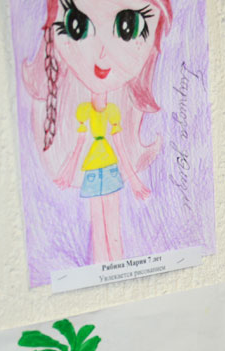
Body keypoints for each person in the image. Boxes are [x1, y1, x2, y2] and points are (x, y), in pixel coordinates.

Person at [23, 0, 172, 264]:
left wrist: (135, 181)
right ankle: (105, 263)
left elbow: (120, 147)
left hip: (108, 165)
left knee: (111, 220)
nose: (102, 53)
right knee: (99, 220)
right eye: (76, 25)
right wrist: (68, 172)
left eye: (127, 27)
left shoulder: (114, 113)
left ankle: (114, 261)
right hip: (94, 165)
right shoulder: (83, 112)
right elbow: (81, 143)